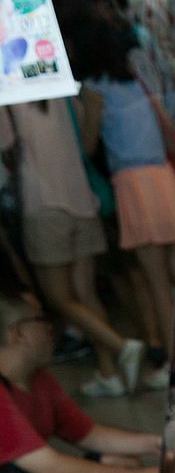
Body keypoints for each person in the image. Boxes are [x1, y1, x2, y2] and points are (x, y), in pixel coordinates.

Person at [0, 98, 143, 399]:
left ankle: (121, 347)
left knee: (58, 297)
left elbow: (6, 144)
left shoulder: (9, 94)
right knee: (86, 294)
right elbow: (85, 137)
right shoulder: (61, 92)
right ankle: (108, 373)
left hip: (44, 205)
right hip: (82, 199)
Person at [72, 8, 175, 357]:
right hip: (163, 178)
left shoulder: (93, 91)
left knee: (157, 283)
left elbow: (89, 144)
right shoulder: (135, 80)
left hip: (132, 185)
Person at [0, 292, 157, 473]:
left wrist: (157, 444)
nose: (51, 327)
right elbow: (50, 468)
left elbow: (88, 434)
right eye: (41, 319)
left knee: (119, 461)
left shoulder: (37, 377)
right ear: (18, 333)